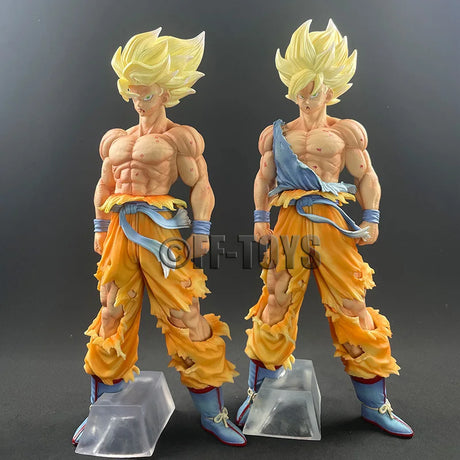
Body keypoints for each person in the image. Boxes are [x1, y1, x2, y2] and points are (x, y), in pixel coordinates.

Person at [236, 19, 413, 438]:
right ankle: (259, 395)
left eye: (312, 90)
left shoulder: (345, 132)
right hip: (289, 222)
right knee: (275, 301)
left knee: (352, 305)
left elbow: (366, 176)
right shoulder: (277, 135)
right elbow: (263, 178)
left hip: (331, 223)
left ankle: (375, 405)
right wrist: (260, 217)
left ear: (329, 91)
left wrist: (371, 217)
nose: (305, 98)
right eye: (299, 89)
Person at [72, 29, 246, 447]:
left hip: (160, 231)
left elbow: (201, 185)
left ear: (165, 92)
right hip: (120, 231)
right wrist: (99, 227)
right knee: (111, 313)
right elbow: (104, 186)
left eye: (146, 93)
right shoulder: (116, 139)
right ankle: (101, 411)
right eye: (133, 93)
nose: (138, 101)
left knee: (186, 312)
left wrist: (201, 229)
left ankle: (213, 412)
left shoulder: (179, 138)